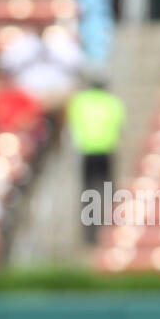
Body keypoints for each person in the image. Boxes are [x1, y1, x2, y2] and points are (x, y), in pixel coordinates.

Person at [65, 79, 125, 245]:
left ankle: (90, 236)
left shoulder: (80, 102)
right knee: (109, 193)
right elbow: (119, 125)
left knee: (89, 194)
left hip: (87, 151)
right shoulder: (113, 102)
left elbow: (73, 125)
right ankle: (111, 230)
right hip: (107, 151)